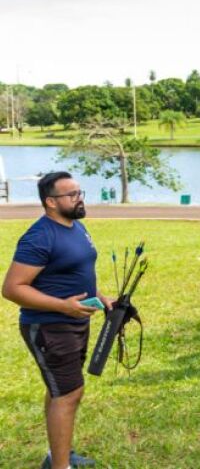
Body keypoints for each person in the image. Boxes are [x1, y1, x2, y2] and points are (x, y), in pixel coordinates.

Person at [2, 172, 112, 469]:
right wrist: (63, 306)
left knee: (60, 391)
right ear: (50, 202)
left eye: (80, 192)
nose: (80, 198)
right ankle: (60, 466)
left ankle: (57, 454)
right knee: (69, 393)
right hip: (49, 326)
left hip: (75, 320)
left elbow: (75, 269)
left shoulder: (76, 227)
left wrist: (100, 296)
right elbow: (12, 289)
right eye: (72, 194)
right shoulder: (39, 237)